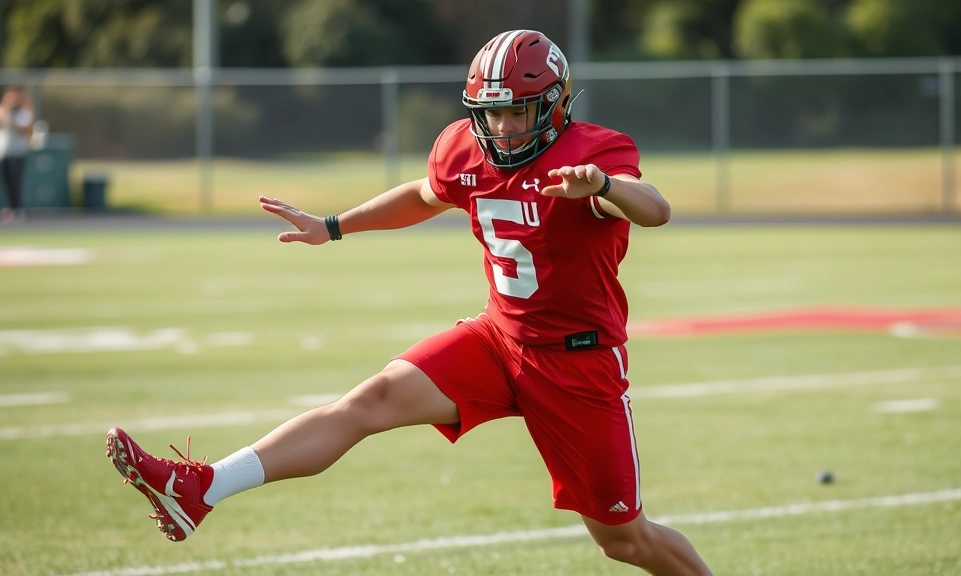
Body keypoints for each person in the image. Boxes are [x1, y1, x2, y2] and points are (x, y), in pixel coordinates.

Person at [105, 30, 713, 576]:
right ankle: (201, 488)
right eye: (490, 113)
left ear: (556, 106)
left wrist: (603, 186)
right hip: (499, 340)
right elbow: (426, 195)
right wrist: (333, 225)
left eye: (516, 112)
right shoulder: (465, 150)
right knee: (369, 401)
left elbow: (654, 209)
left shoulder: (593, 156)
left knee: (625, 540)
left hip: (578, 362)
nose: (501, 127)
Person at [0, 85, 34, 224]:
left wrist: (12, 117)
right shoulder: (3, 112)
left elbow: (24, 130)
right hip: (4, 153)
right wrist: (5, 110)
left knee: (15, 183)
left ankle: (18, 210)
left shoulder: (23, 113)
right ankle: (9, 209)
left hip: (18, 153)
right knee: (6, 182)